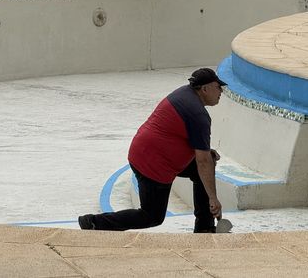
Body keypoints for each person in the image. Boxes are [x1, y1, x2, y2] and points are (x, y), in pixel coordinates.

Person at [78, 67, 226, 233]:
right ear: (204, 88)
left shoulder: (185, 94)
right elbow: (202, 161)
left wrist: (206, 152)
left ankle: (205, 228)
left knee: (207, 163)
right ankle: (94, 222)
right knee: (151, 216)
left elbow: (190, 144)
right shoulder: (198, 114)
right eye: (218, 86)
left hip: (146, 152)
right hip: (152, 163)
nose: (221, 90)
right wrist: (213, 199)